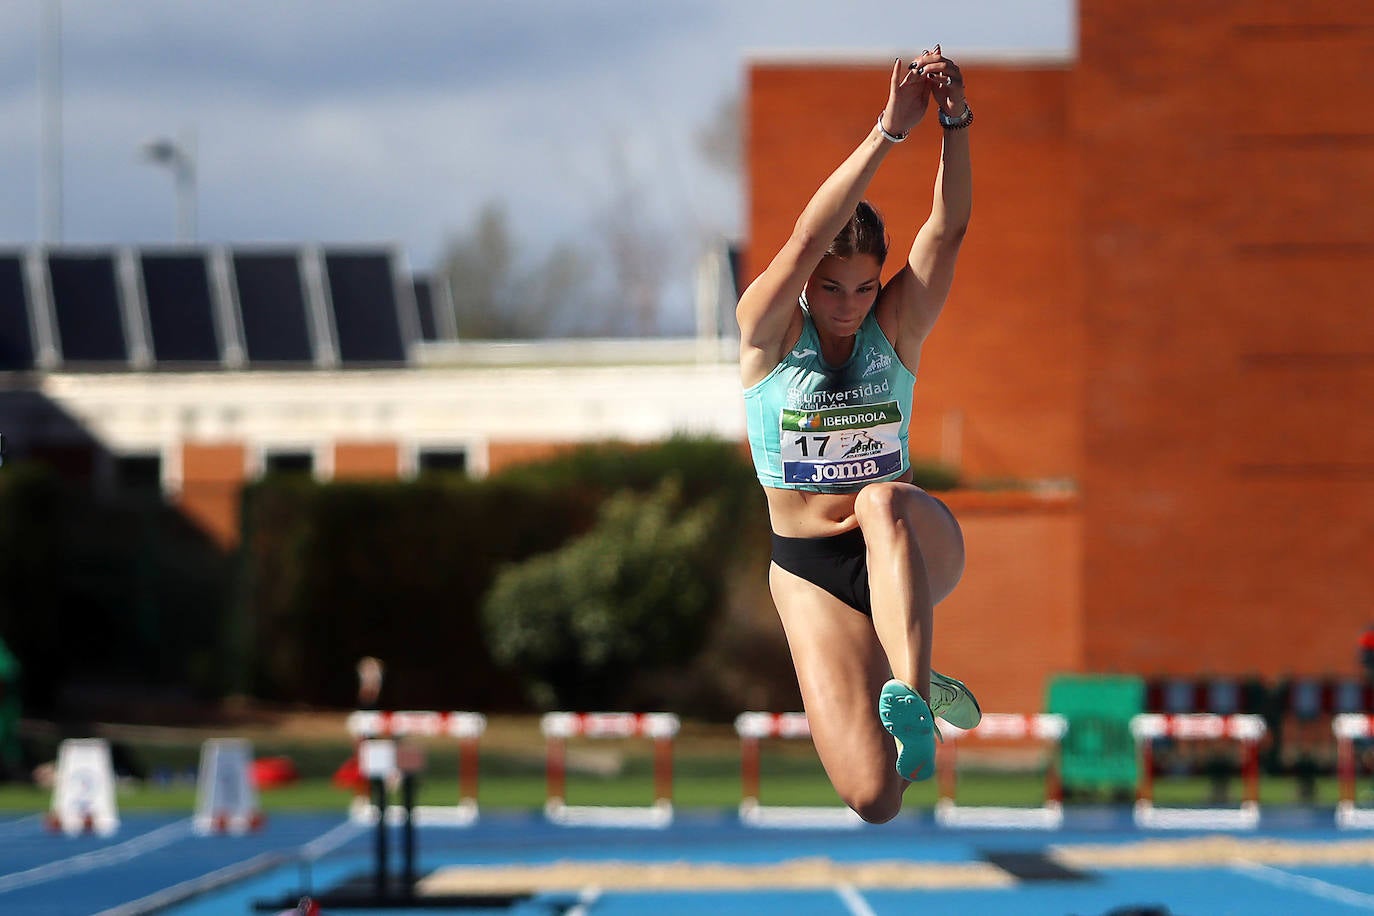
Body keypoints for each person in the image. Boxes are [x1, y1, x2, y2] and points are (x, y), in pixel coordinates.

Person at [737, 46, 979, 824]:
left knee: (880, 500)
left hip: (906, 536)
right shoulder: (767, 334)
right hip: (811, 568)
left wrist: (955, 124)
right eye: (832, 290)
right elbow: (809, 235)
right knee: (873, 797)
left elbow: (949, 229)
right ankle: (912, 680)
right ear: (809, 285)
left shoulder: (894, 329)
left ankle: (910, 681)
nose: (848, 306)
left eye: (865, 287)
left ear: (880, 281)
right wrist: (888, 131)